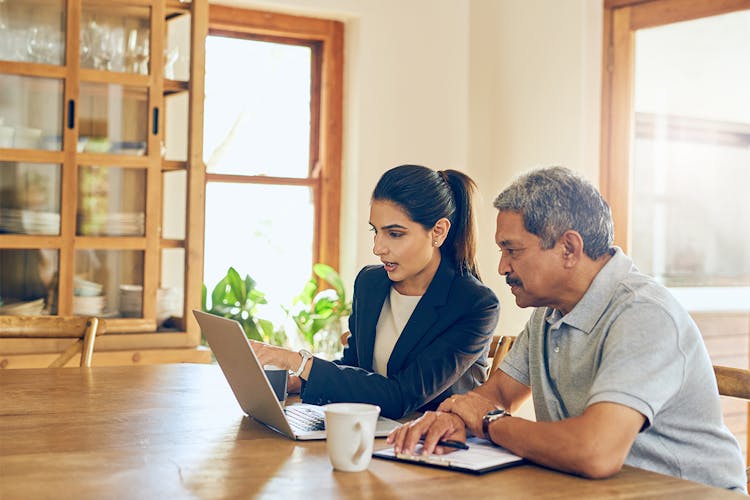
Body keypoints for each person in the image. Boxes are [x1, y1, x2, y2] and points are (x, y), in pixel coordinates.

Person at [388, 166, 746, 492]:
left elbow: (595, 451)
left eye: (512, 250)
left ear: (569, 248)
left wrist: (489, 422)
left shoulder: (644, 315)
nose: (502, 267)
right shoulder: (549, 312)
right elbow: (496, 393)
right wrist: (454, 417)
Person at [251, 164, 500, 419]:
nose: (378, 248)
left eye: (394, 234)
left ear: (438, 231)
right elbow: (355, 369)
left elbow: (402, 396)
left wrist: (298, 362)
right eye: (375, 231)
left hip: (434, 448)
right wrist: (300, 381)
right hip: (371, 433)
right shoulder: (370, 283)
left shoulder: (474, 304)